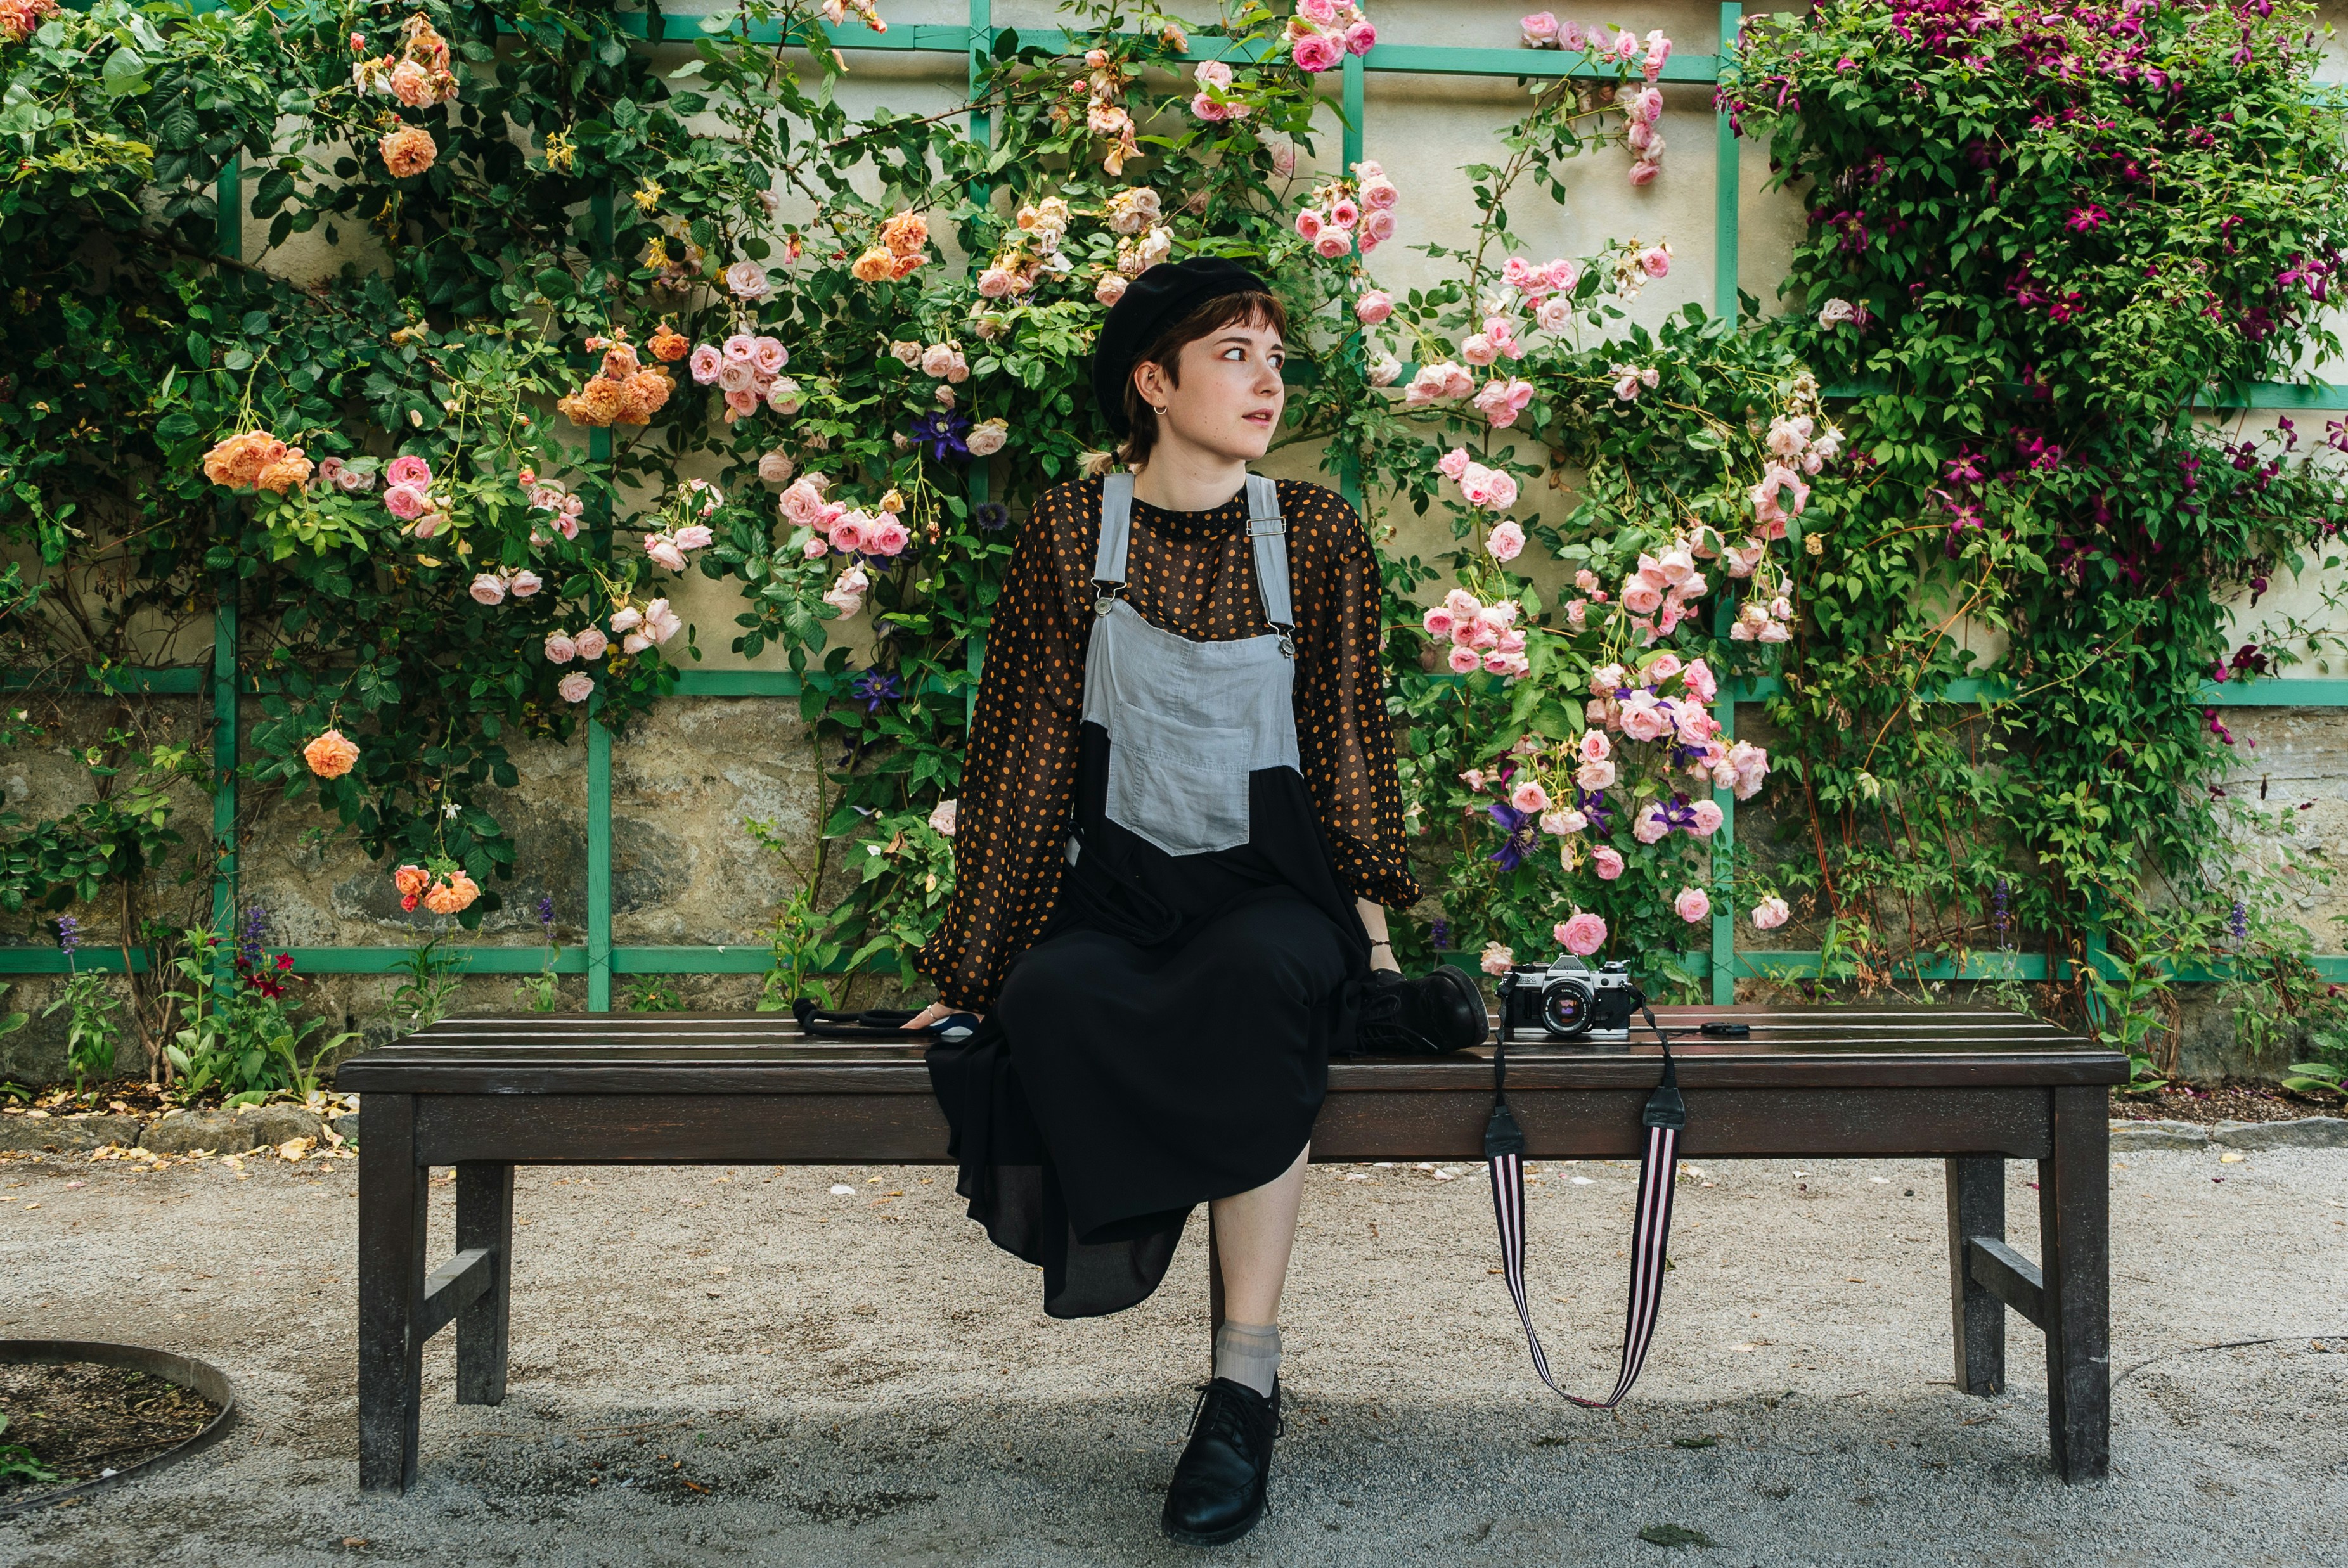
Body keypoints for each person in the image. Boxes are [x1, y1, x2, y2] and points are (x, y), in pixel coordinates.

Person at [905, 257, 1484, 1545]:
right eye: (1233, 353)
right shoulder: (1068, 531)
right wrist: (975, 965)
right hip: (1119, 889)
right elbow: (1023, 755)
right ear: (1152, 383)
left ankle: (1241, 1383)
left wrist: (1376, 944)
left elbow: (1343, 740)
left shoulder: (1318, 533)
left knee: (1258, 980)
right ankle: (1211, 1183)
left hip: (1277, 891)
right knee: (1054, 997)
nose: (1266, 378)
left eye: (1276, 353)